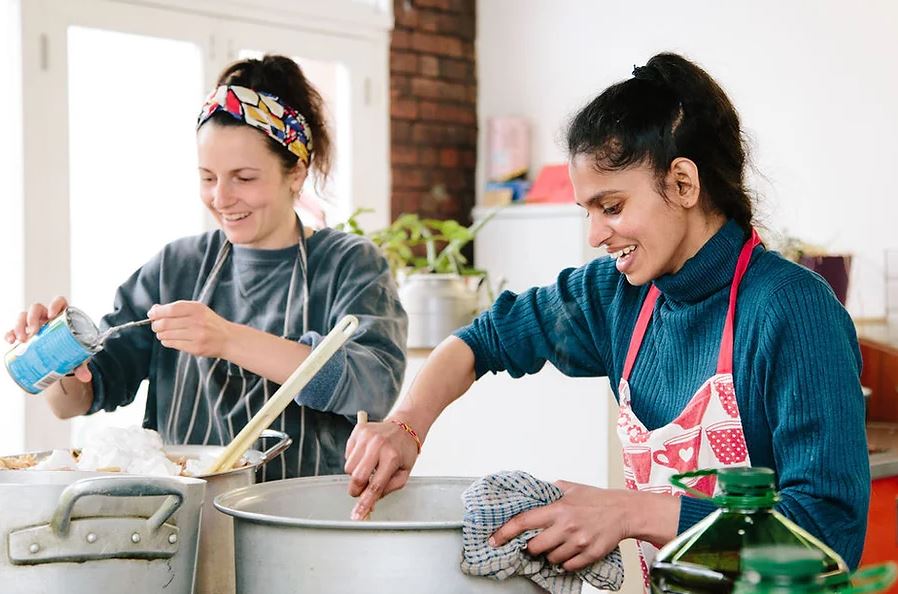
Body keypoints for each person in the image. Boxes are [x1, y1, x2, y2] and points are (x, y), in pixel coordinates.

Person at [344, 52, 869, 579]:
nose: (595, 236)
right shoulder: (617, 296)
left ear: (684, 184)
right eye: (587, 212)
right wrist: (405, 426)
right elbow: (483, 339)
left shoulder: (792, 310)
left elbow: (826, 538)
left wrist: (628, 511)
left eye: (612, 207)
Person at [6, 55, 408, 480]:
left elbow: (372, 387)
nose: (221, 197)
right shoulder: (176, 267)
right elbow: (76, 402)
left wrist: (227, 339)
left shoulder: (350, 263)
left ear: (296, 173)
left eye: (244, 178)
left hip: (301, 519)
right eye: (207, 177)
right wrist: (57, 360)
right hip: (185, 522)